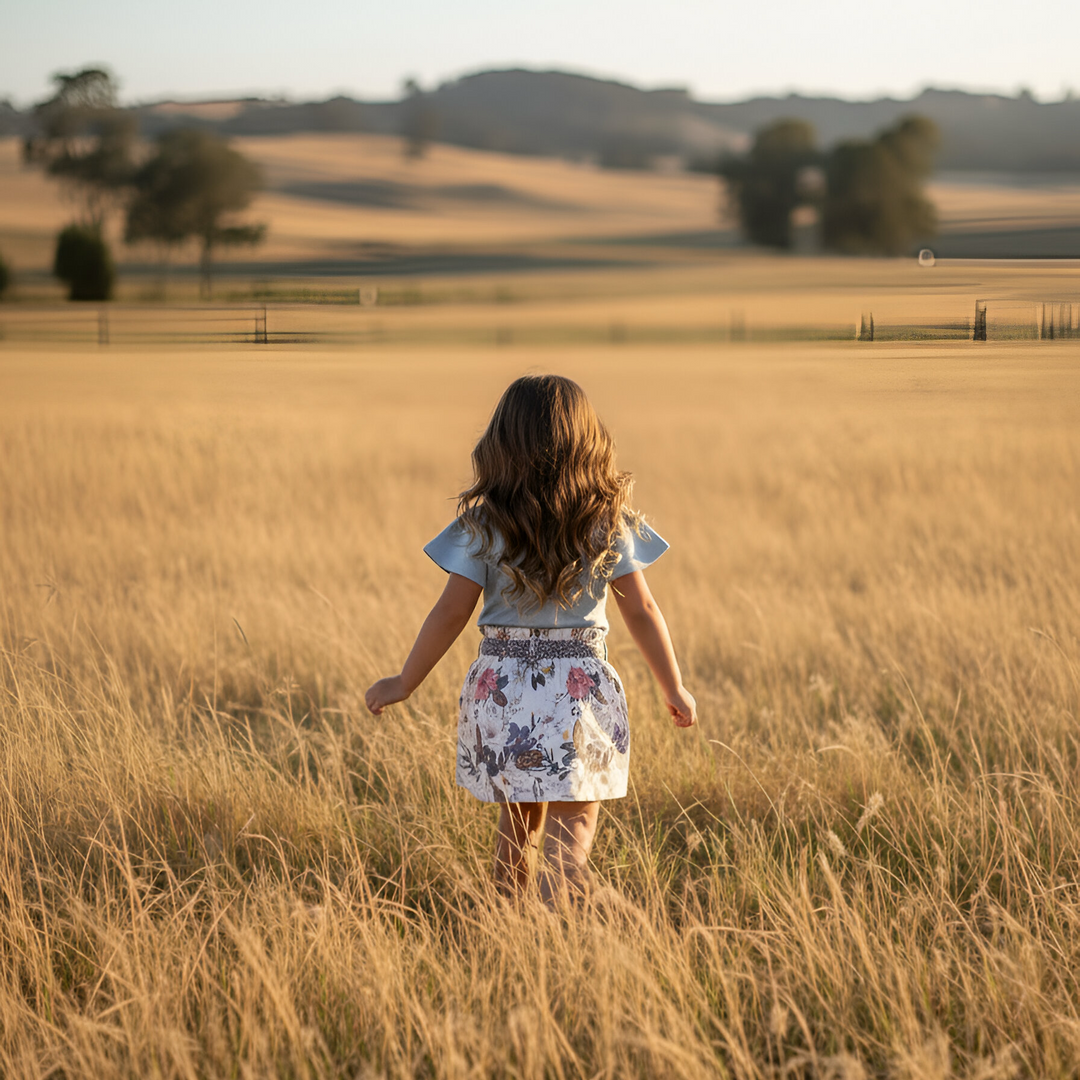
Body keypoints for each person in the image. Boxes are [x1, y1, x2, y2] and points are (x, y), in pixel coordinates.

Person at [365, 375, 696, 905]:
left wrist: (405, 681)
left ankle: (511, 936)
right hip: (578, 699)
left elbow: (451, 611)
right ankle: (560, 931)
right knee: (572, 838)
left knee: (516, 832)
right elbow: (644, 611)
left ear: (501, 446)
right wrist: (673, 686)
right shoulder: (605, 522)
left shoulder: (485, 525)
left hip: (503, 699)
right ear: (590, 445)